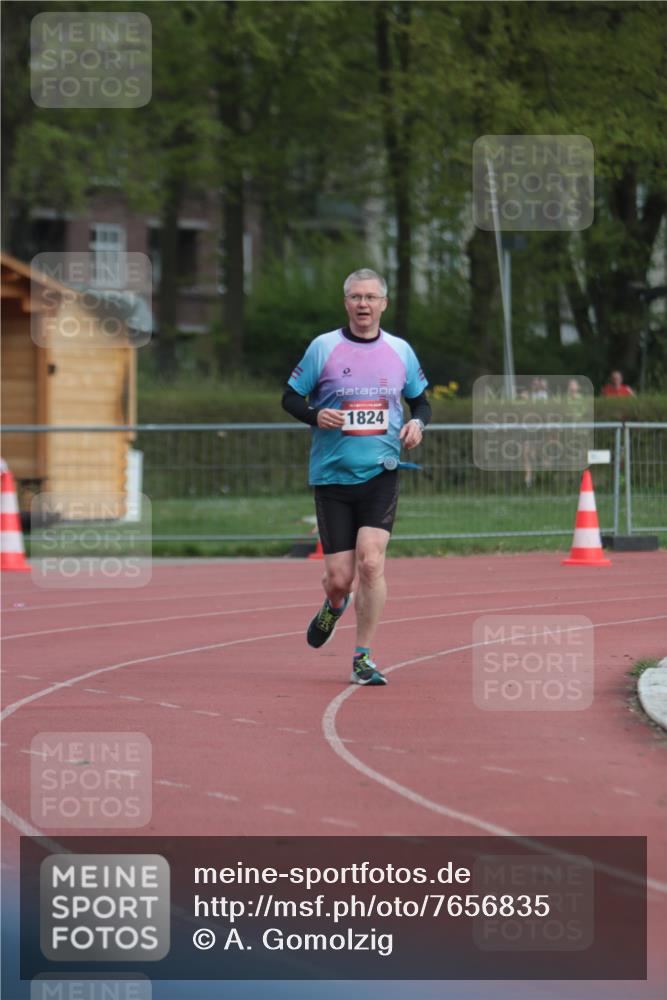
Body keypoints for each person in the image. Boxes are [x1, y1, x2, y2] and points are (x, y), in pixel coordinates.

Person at [282, 268, 431, 687]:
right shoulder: (323, 348)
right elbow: (290, 396)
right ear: (345, 303)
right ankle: (333, 605)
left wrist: (418, 425)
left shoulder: (401, 351)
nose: (363, 304)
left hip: (381, 472)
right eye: (355, 297)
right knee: (340, 580)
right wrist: (315, 414)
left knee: (371, 562)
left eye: (370, 297)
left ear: (384, 303)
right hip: (332, 478)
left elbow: (421, 402)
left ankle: (362, 657)